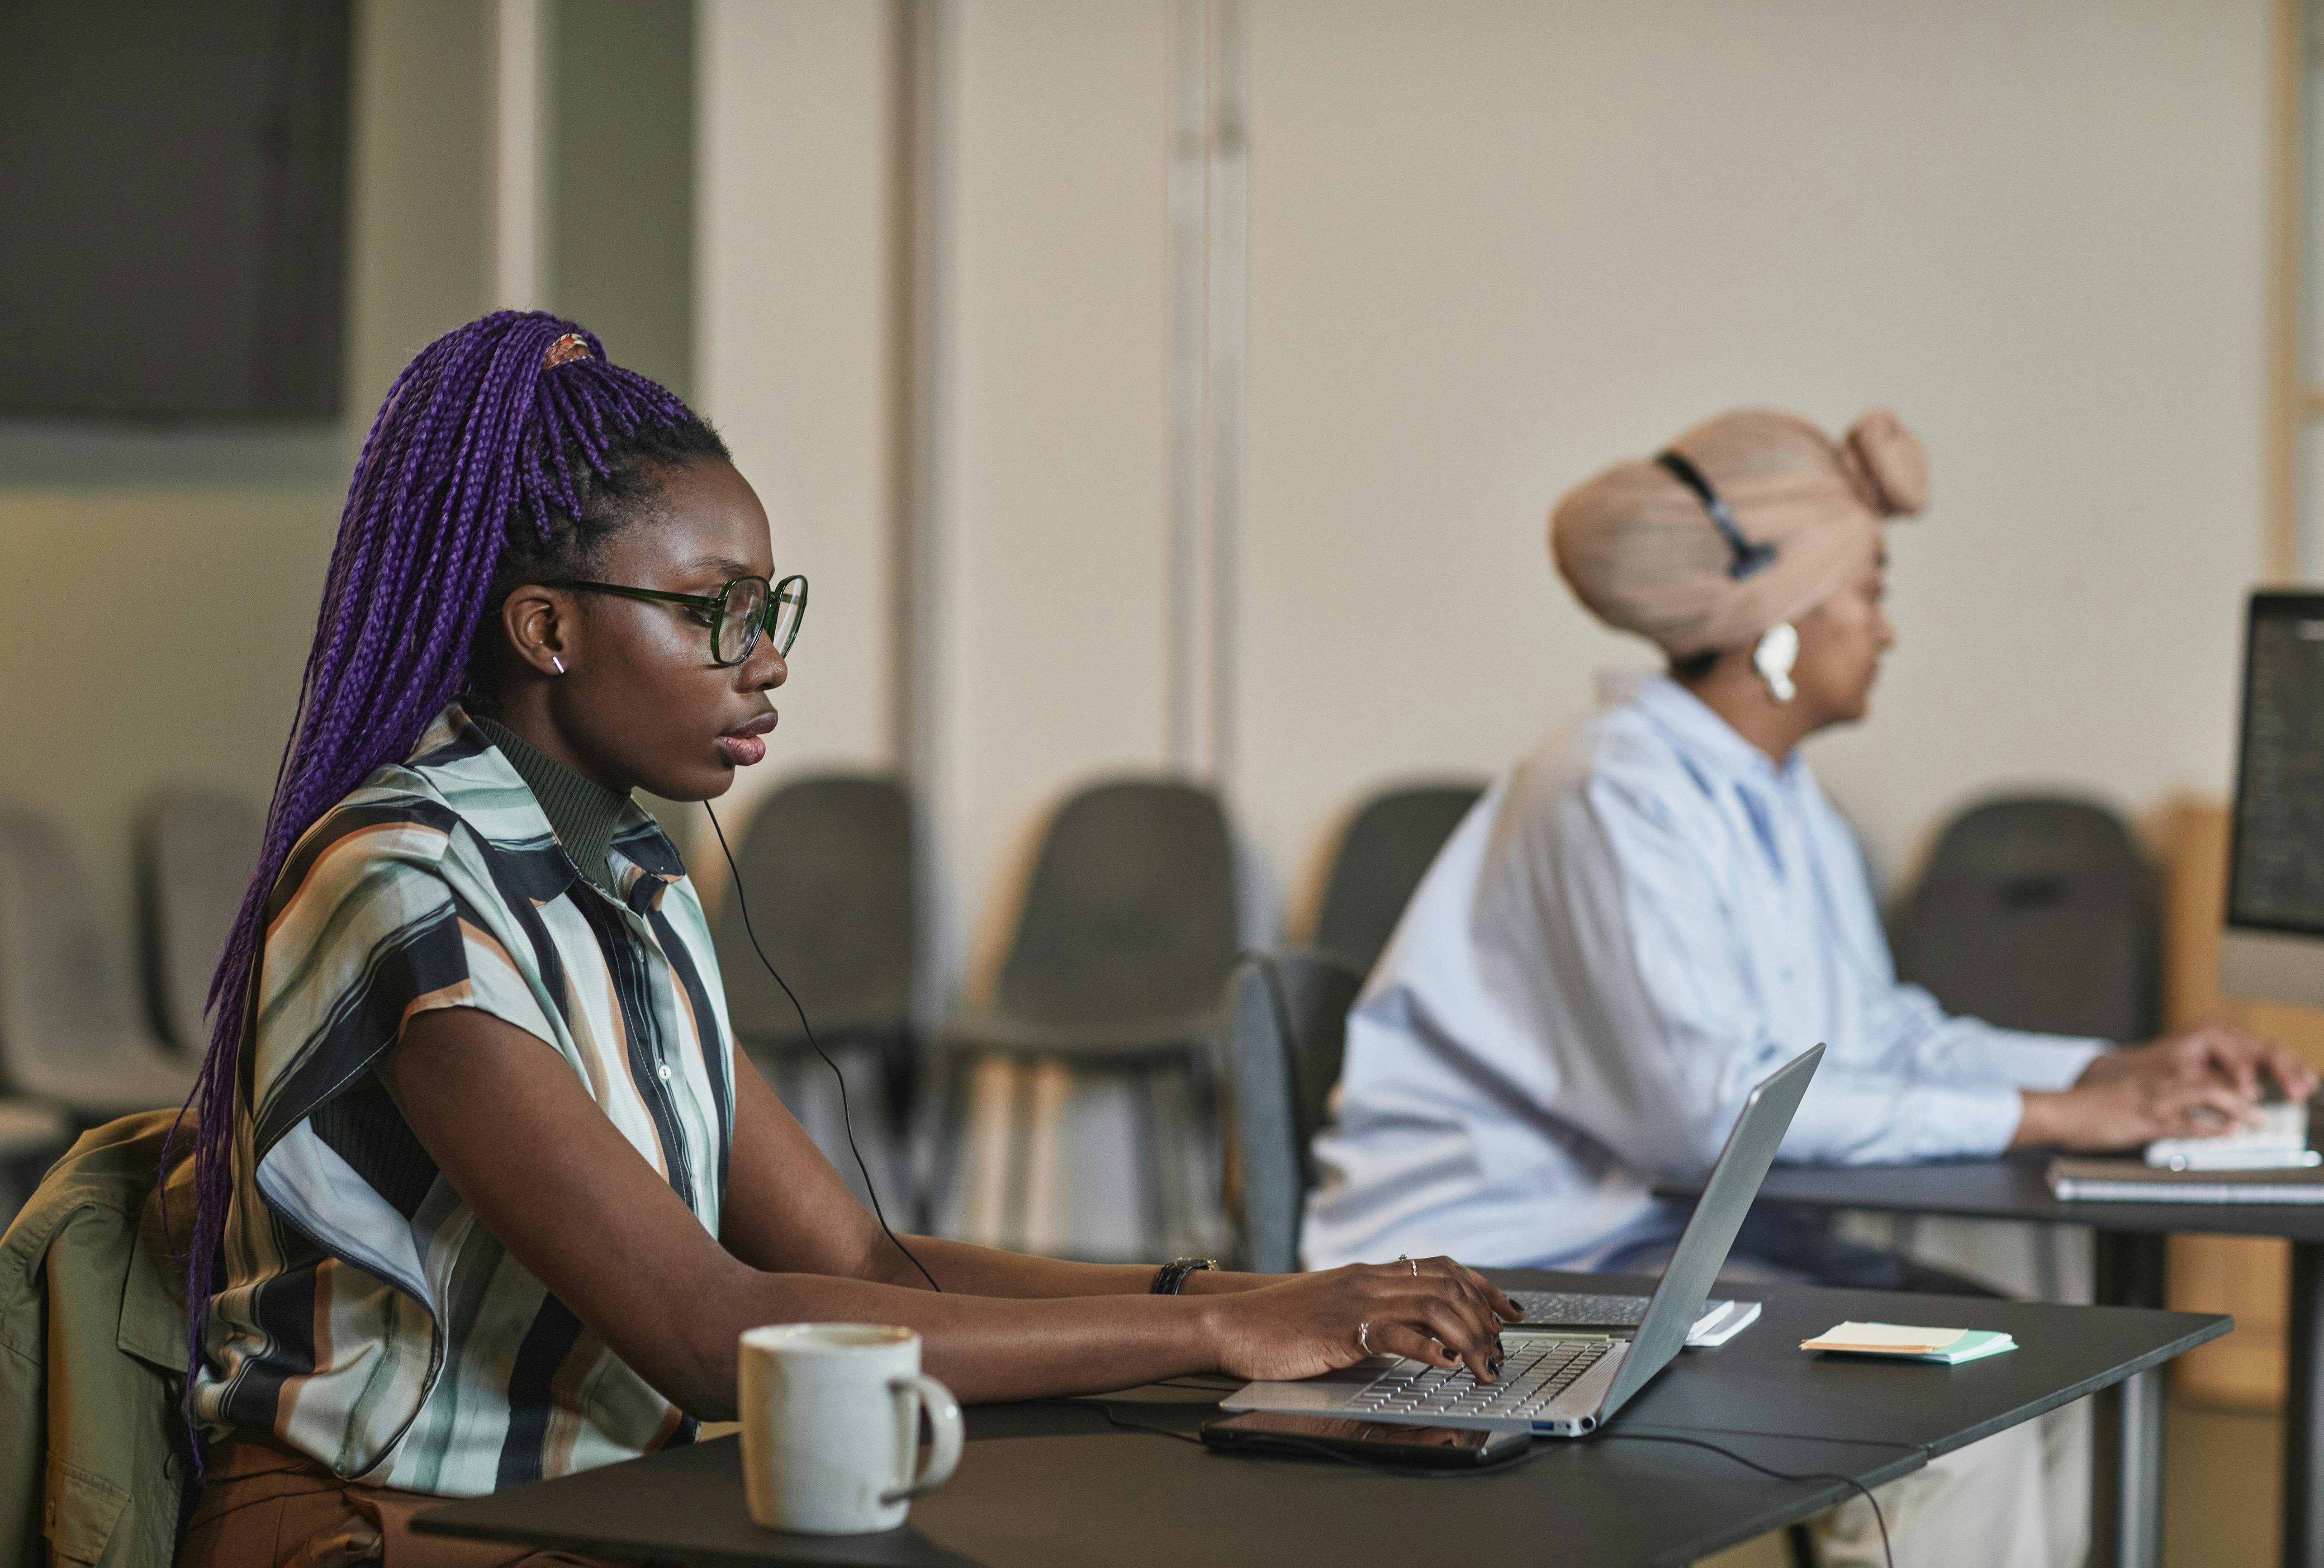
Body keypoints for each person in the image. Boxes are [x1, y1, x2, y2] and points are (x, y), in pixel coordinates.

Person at [174, 312, 1519, 1567]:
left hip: (582, 1509)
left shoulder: (628, 868)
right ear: (549, 629)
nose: (766, 660)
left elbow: (857, 1263)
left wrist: (1262, 1293)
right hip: (381, 1525)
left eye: (773, 608)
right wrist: (1220, 1331)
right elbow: (711, 1334)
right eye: (718, 610)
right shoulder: (405, 881)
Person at [1298, 405, 2316, 1568]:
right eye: (1869, 592)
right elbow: (1703, 1118)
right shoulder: (1607, 793)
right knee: (1958, 1420)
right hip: (1504, 1272)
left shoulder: (1776, 799)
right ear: (1778, 625)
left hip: (1650, 1245)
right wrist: (2052, 1120)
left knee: (2040, 1363)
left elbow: (1873, 1035)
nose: (1887, 631)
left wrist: (2102, 1073)